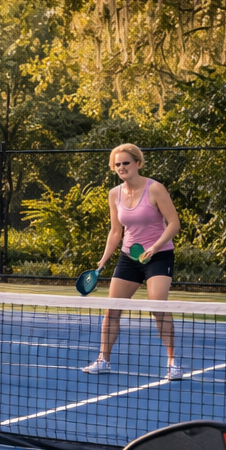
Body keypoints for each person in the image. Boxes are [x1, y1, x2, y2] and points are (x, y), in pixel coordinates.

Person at [82, 144, 184, 379]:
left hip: (158, 255)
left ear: (138, 163)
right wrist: (103, 261)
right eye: (117, 164)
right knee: (112, 311)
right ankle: (103, 359)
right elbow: (116, 231)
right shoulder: (114, 194)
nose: (121, 168)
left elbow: (174, 224)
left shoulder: (155, 189)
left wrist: (156, 246)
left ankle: (172, 363)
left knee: (158, 307)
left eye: (126, 163)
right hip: (129, 257)